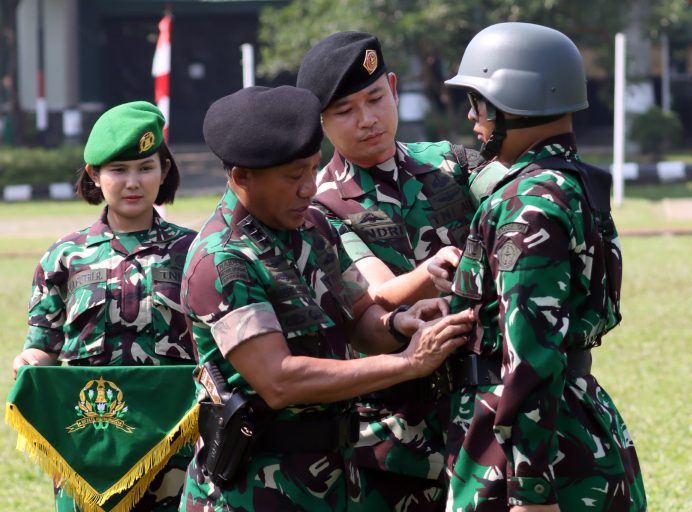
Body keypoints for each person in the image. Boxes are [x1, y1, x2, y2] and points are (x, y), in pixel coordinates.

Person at [178, 85, 474, 511]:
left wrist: (399, 325)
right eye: (293, 176)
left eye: (313, 170)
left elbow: (358, 316)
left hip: (338, 477)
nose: (307, 188)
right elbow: (280, 380)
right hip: (256, 489)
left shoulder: (313, 225)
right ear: (242, 177)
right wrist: (409, 362)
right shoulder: (221, 259)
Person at [438, 22, 647, 511]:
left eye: (480, 103)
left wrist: (530, 489)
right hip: (578, 422)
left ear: (514, 101)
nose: (473, 119)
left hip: (526, 456)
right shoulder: (575, 184)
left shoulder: (527, 202)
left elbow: (529, 352)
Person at [296, 31, 484, 511]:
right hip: (394, 434)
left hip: (481, 409)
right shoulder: (321, 204)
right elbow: (377, 292)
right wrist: (432, 271)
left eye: (376, 98)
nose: (367, 120)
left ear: (394, 88)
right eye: (345, 111)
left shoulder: (451, 163)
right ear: (321, 122)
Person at [11, 101, 198, 511]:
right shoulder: (64, 257)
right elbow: (44, 344)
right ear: (95, 176)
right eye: (118, 170)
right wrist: (29, 361)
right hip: (90, 439)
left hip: (174, 439)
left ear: (164, 171)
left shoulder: (193, 251)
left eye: (146, 167)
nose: (133, 182)